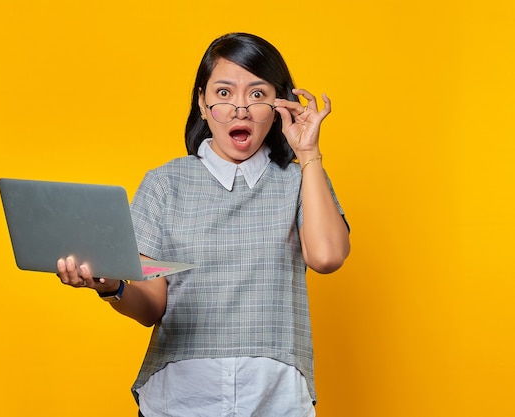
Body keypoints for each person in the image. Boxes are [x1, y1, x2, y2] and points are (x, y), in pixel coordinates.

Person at [57, 32, 350, 417]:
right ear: (202, 101)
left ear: (280, 105)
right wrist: (112, 286)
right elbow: (152, 306)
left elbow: (327, 257)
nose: (240, 109)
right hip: (179, 398)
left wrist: (309, 152)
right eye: (224, 93)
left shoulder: (298, 180)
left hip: (275, 400)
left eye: (258, 94)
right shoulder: (164, 184)